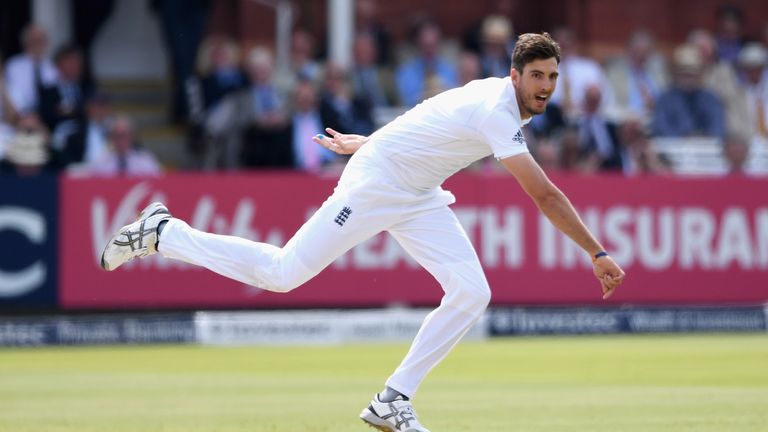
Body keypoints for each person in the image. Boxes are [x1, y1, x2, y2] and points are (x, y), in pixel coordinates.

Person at [100, 33, 625, 432]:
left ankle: (393, 399)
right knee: (284, 273)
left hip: (415, 190)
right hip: (378, 185)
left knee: (472, 292)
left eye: (553, 77)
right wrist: (596, 251)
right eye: (538, 76)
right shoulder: (497, 110)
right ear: (515, 75)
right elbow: (545, 196)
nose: (547, 88)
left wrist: (371, 139)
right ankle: (163, 232)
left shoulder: (497, 99)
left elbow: (431, 117)